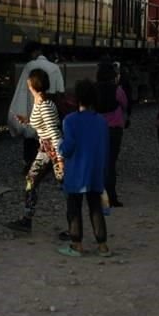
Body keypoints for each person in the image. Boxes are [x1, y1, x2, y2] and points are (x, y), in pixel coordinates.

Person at [58, 79, 111, 257]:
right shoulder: (101, 121)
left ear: (76, 99)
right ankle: (102, 245)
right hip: (95, 171)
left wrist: (60, 148)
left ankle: (76, 244)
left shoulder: (70, 121)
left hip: (76, 172)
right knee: (95, 207)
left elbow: (69, 147)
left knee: (74, 206)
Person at [7, 69, 64, 233]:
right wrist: (27, 121)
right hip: (47, 149)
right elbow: (45, 126)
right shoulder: (45, 102)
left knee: (63, 185)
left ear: (32, 85)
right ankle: (27, 219)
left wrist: (59, 159)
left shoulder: (43, 105)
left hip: (50, 150)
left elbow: (53, 132)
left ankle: (75, 226)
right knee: (34, 180)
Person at [8, 42, 65, 174]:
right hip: (50, 104)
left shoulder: (29, 66)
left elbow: (22, 90)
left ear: (34, 53)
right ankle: (50, 164)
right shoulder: (54, 67)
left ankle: (30, 163)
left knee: (30, 135)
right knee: (49, 134)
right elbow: (60, 91)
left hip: (33, 103)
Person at [94, 61, 128, 207]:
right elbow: (125, 104)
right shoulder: (117, 90)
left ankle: (97, 195)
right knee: (110, 163)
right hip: (114, 129)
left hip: (97, 129)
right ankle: (112, 197)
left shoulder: (94, 90)